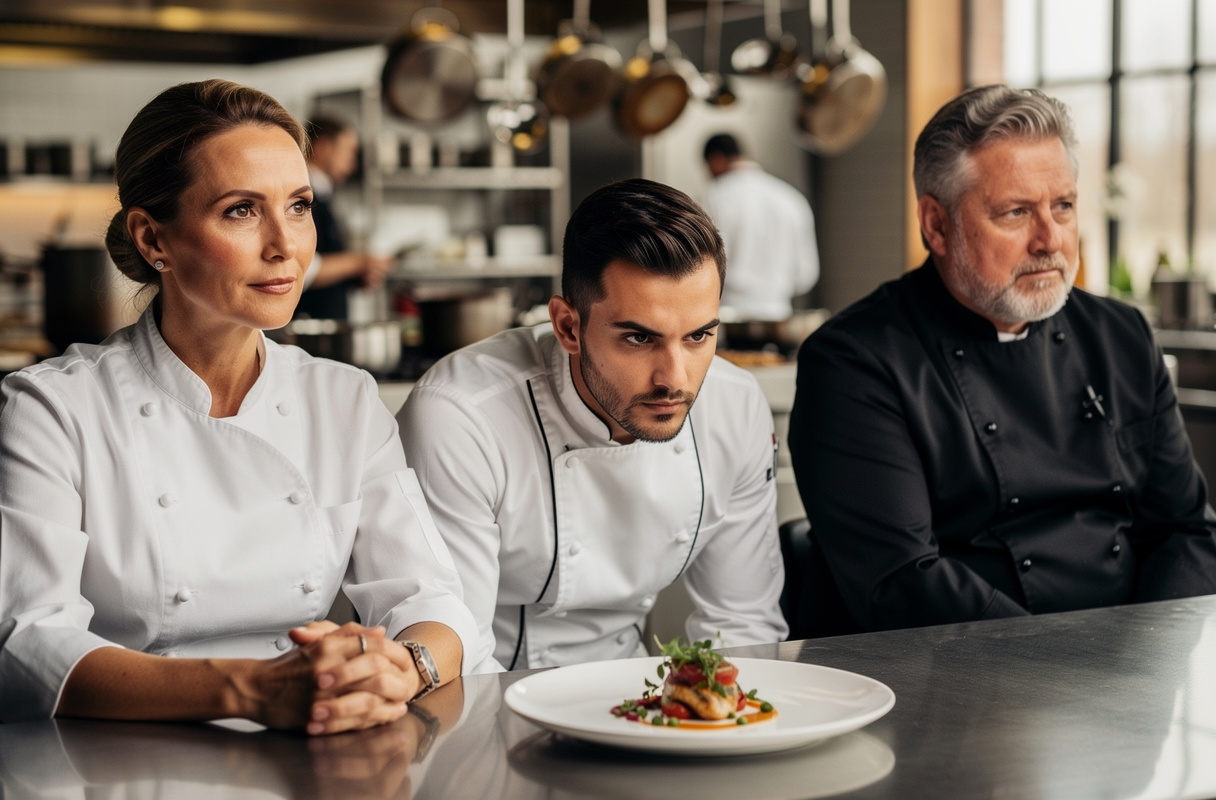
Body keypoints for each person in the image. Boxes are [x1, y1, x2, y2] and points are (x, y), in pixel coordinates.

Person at [0, 79, 477, 731]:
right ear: (153, 239)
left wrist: (407, 666)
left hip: (309, 742)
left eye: (300, 205)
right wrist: (252, 691)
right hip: (115, 763)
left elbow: (430, 598)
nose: (286, 245)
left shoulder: (343, 399)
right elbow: (29, 645)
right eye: (240, 211)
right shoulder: (54, 409)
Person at [788, 85, 1216, 636]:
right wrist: (1061, 671)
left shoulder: (1122, 335)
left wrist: (1146, 659)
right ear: (936, 225)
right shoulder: (854, 363)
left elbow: (1185, 531)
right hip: (955, 687)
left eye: (1063, 206)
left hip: (1128, 670)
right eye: (1015, 212)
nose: (1050, 240)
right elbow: (901, 582)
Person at [397, 179, 788, 671]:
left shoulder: (736, 407)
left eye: (698, 336)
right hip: (487, 704)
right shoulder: (461, 415)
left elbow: (743, 624)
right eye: (639, 338)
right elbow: (457, 652)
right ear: (567, 326)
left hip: (636, 696)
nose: (676, 379)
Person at [701, 133, 819, 321]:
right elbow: (805, 275)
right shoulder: (791, 198)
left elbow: (703, 264)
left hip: (729, 317)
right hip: (779, 317)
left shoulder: (714, 196)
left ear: (716, 160)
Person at [295, 114, 392, 320]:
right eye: (348, 153)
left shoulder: (323, 195)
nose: (352, 165)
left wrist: (355, 277)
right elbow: (301, 268)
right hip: (307, 327)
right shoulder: (301, 198)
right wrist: (359, 262)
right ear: (323, 148)